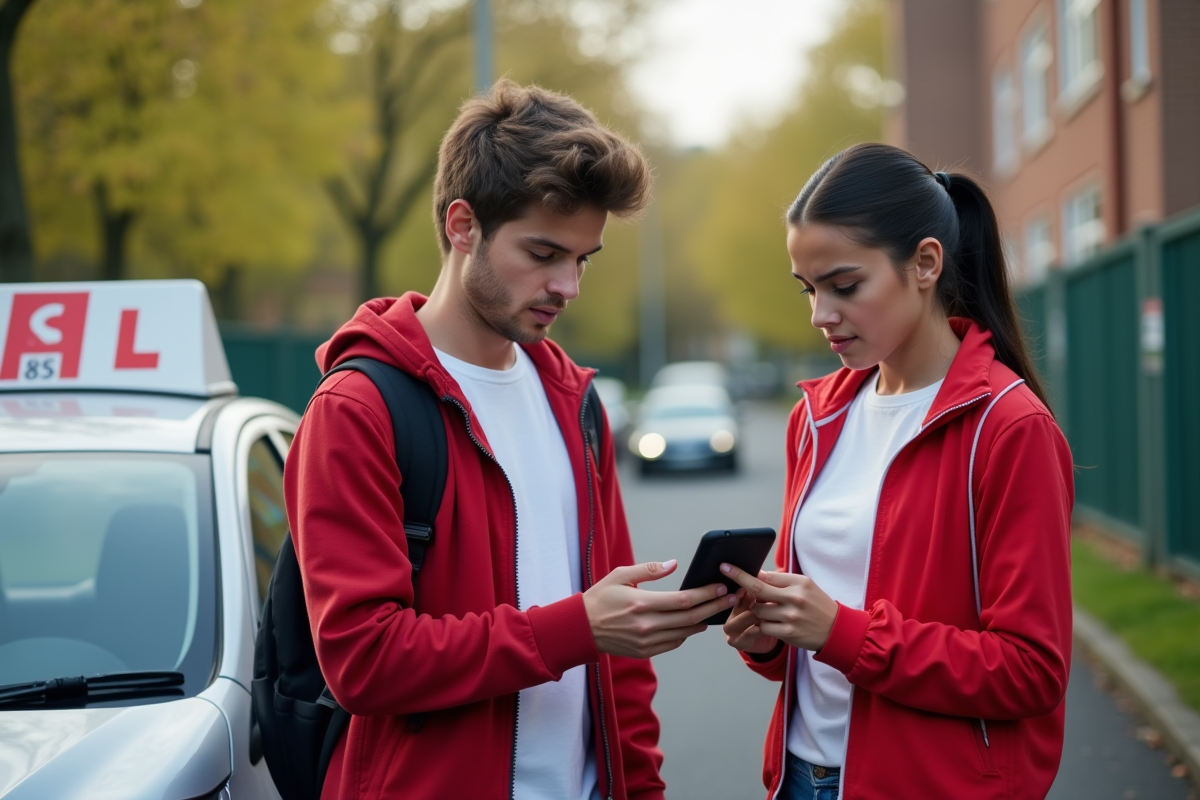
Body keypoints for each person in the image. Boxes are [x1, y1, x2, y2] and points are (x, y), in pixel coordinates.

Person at [283, 81, 736, 800]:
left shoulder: (576, 402)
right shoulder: (359, 408)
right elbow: (364, 661)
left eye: (583, 259)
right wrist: (576, 628)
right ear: (463, 226)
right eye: (544, 251)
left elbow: (619, 663)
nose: (569, 284)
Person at [720, 143, 1074, 800]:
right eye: (809, 288)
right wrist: (771, 637)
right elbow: (821, 643)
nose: (821, 315)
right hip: (801, 777)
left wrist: (840, 630)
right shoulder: (816, 418)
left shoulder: (1008, 428)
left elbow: (1031, 673)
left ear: (925, 263)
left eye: (845, 286)